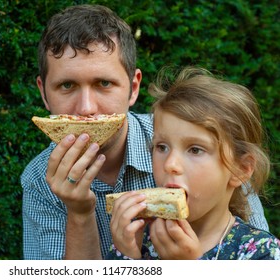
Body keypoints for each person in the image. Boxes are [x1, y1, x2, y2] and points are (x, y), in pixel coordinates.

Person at [20, 4, 269, 260]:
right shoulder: (40, 182)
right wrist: (80, 213)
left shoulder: (197, 140)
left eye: (104, 83)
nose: (87, 108)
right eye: (67, 85)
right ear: (44, 93)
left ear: (134, 87)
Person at [107, 66, 280, 260]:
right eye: (162, 147)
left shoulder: (262, 253)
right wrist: (127, 256)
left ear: (241, 169)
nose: (170, 164)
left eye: (195, 150)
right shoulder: (139, 239)